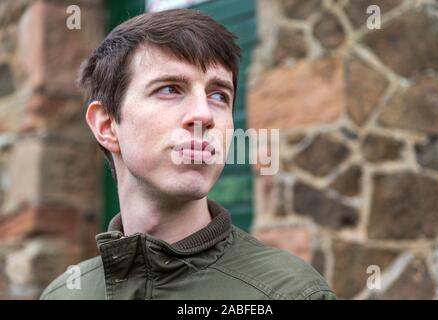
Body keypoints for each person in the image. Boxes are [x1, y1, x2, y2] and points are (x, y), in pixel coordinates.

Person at [40, 9, 336, 300]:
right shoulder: (64, 294)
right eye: (170, 89)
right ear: (106, 125)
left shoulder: (290, 293)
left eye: (219, 95)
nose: (204, 114)